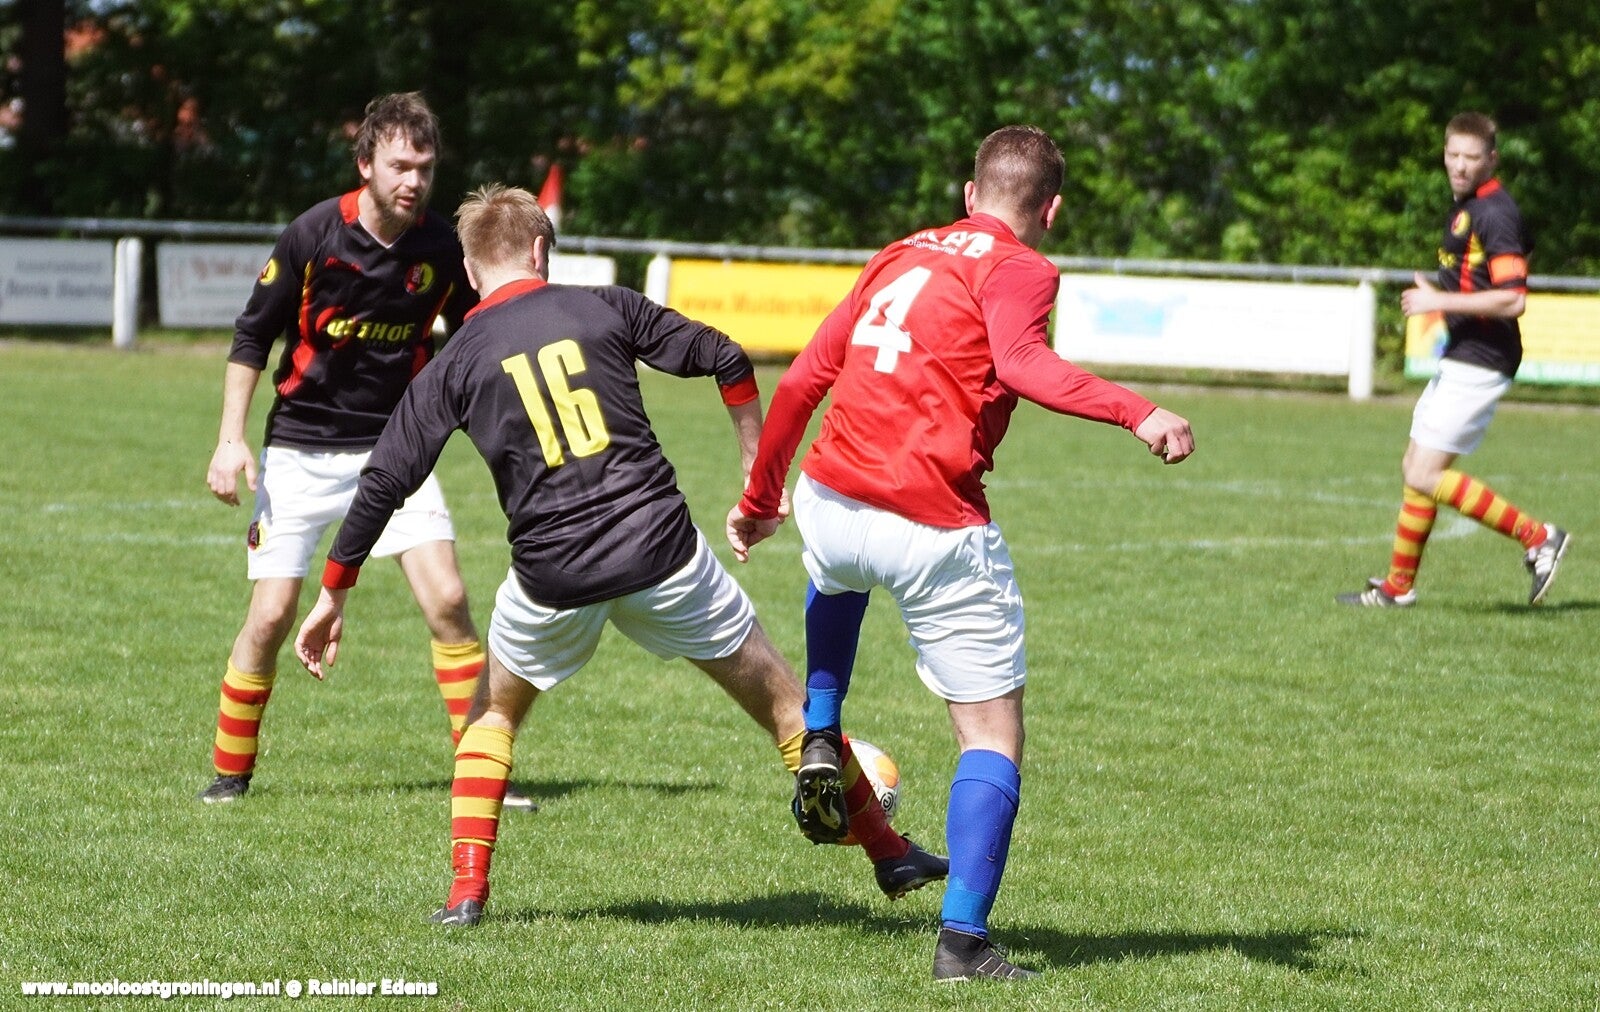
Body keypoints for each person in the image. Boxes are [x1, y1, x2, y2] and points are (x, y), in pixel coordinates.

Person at [292, 183, 947, 928]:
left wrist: (334, 591)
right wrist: (754, 477)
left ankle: (466, 893)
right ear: (541, 250)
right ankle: (888, 851)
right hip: (661, 554)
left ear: (470, 272)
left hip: (552, 576)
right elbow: (727, 357)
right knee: (787, 705)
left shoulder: (455, 360)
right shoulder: (605, 305)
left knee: (491, 714)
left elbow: (385, 479)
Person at [726, 125, 1195, 983]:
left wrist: (761, 500)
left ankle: (822, 729)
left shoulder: (899, 252)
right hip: (930, 523)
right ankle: (964, 943)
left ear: (969, 193)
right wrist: (1140, 410)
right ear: (1051, 209)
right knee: (991, 732)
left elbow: (800, 382)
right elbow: (1022, 364)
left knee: (840, 575)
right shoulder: (1023, 266)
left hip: (831, 501)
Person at [199, 92, 532, 811]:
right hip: (300, 449)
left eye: (425, 167)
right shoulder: (313, 234)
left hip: (395, 448)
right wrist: (230, 439)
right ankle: (230, 774)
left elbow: (475, 335)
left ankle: (482, 772)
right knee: (272, 615)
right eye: (400, 166)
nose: (414, 180)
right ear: (366, 165)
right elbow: (252, 336)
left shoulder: (441, 248)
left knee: (449, 599)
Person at [1337, 112, 1569, 608]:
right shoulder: (1470, 206)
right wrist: (1444, 291)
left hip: (1483, 357)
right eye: (1453, 155)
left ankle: (1538, 537)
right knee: (1415, 468)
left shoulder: (1494, 212)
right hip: (1464, 351)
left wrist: (1437, 301)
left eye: (1472, 157)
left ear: (1492, 159)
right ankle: (1398, 587)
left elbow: (1513, 299)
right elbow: (1502, 263)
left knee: (1424, 473)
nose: (1460, 166)